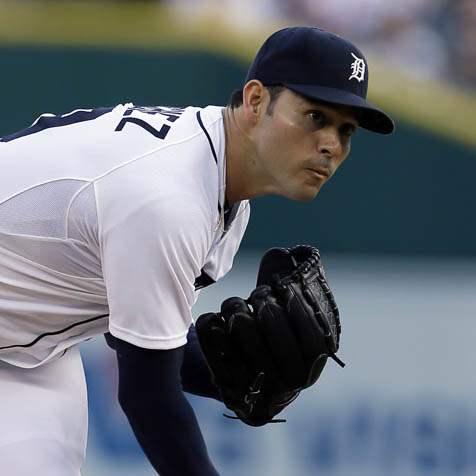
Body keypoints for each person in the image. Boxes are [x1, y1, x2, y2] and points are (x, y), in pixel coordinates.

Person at [0, 26, 394, 475]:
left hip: (31, 353)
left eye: (346, 130)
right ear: (256, 100)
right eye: (315, 117)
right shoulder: (170, 198)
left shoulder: (222, 189)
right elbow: (148, 396)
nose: (332, 145)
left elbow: (140, 339)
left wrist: (231, 372)